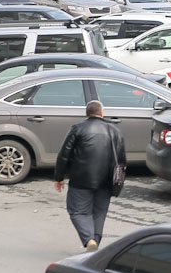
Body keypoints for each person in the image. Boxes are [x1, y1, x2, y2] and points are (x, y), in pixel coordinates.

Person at [53, 101, 126, 251]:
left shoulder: (78, 129)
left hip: (81, 179)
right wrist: (118, 182)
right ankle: (95, 242)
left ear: (87, 113)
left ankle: (89, 239)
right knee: (99, 212)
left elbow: (64, 155)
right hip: (106, 180)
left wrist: (59, 177)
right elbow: (122, 160)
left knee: (77, 211)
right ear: (102, 113)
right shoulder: (115, 131)